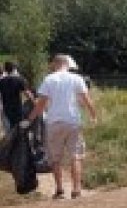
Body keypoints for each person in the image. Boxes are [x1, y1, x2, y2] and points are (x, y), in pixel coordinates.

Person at [25, 54, 97, 200]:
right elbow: (86, 99)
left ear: (55, 64)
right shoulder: (77, 79)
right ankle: (76, 190)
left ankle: (59, 190)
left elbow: (41, 103)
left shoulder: (49, 79)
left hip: (53, 122)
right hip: (72, 121)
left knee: (54, 158)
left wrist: (29, 119)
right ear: (67, 64)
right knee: (75, 156)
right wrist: (93, 116)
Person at [0, 61, 32, 132]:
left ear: (5, 70)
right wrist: (33, 101)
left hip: (6, 108)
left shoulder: (1, 81)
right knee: (19, 127)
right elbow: (27, 93)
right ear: (14, 69)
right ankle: (19, 141)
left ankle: (11, 141)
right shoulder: (19, 80)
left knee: (9, 129)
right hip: (17, 108)